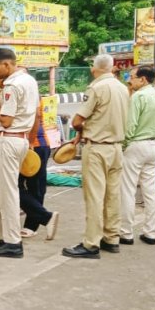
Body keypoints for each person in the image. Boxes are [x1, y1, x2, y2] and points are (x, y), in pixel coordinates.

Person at [61, 54, 130, 259]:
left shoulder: (97, 88)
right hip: (116, 148)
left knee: (94, 196)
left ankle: (91, 243)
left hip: (97, 148)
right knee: (112, 196)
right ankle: (111, 238)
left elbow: (76, 121)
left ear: (95, 68)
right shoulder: (122, 88)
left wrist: (82, 130)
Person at [0, 48, 39, 258]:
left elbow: (5, 120)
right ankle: (11, 236)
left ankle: (13, 242)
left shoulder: (13, 84)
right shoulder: (29, 80)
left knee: (7, 193)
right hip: (20, 139)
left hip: (10, 138)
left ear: (7, 64)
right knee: (10, 190)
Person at [119, 66, 155, 246]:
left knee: (128, 189)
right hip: (154, 145)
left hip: (136, 145)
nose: (130, 81)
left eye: (132, 77)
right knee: (150, 191)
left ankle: (126, 233)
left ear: (143, 80)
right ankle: (151, 233)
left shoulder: (138, 97)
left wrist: (124, 145)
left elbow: (130, 126)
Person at [19, 98, 60, 240]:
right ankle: (41, 218)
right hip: (28, 145)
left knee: (34, 186)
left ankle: (34, 224)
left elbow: (36, 116)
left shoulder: (29, 93)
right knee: (18, 186)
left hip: (36, 145)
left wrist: (30, 141)